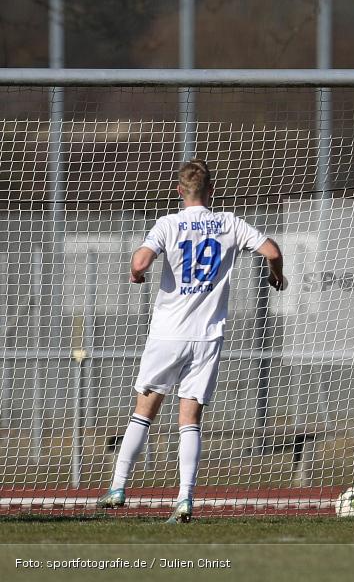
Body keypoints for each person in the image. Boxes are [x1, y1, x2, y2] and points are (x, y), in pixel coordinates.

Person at [96, 159, 287, 523]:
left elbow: (140, 260)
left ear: (179, 191)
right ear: (211, 191)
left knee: (144, 411)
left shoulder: (169, 224)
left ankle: (118, 487)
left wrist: (138, 271)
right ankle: (184, 499)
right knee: (190, 420)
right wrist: (277, 275)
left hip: (168, 334)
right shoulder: (229, 223)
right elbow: (272, 252)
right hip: (207, 336)